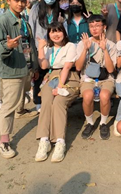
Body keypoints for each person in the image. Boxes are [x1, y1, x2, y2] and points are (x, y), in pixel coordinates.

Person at [0, 0, 38, 159]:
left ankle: (21, 111)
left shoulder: (24, 19)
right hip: (11, 69)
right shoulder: (2, 21)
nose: (20, 4)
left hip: (25, 66)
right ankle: (4, 141)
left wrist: (34, 66)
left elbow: (30, 45)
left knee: (22, 93)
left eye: (23, 0)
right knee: (8, 104)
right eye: (16, 0)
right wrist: (6, 46)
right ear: (8, 1)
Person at [35, 22, 79, 163]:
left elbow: (66, 67)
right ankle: (44, 140)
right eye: (52, 32)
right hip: (51, 76)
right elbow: (44, 66)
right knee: (46, 101)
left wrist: (60, 87)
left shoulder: (70, 46)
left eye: (58, 31)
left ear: (64, 33)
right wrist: (41, 49)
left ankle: (60, 142)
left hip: (68, 77)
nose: (55, 34)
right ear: (48, 34)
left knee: (59, 101)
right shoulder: (48, 48)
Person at [75, 15, 117, 140]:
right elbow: (78, 67)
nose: (94, 29)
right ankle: (90, 123)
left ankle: (103, 123)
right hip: (88, 78)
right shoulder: (83, 43)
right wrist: (85, 49)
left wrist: (105, 50)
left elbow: (110, 69)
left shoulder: (110, 45)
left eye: (98, 26)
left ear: (104, 27)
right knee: (87, 96)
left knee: (105, 96)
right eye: (91, 26)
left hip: (106, 79)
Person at [29, 0, 60, 113]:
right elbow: (31, 27)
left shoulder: (57, 10)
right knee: (38, 76)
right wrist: (34, 47)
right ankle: (38, 101)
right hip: (39, 47)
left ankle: (52, 99)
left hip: (54, 47)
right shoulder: (36, 8)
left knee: (53, 74)